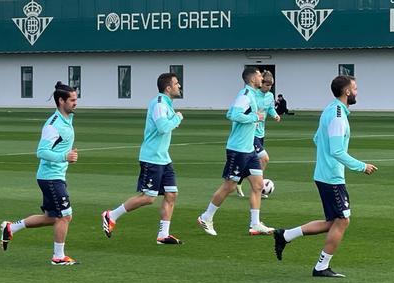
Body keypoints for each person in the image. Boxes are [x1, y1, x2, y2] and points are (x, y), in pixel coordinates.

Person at [273, 75, 377, 278]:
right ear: (346, 92)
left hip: (325, 173)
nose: (356, 92)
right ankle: (321, 267)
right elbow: (337, 151)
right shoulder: (338, 115)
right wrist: (361, 166)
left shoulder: (330, 109)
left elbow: (316, 138)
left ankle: (285, 235)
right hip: (331, 177)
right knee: (343, 220)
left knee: (333, 221)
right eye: (355, 88)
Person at [0, 82, 80, 265]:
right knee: (65, 215)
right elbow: (41, 151)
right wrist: (64, 156)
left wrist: (66, 156)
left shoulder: (67, 118)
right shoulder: (53, 125)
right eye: (72, 100)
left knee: (53, 217)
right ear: (61, 101)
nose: (76, 103)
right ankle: (58, 256)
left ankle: (11, 228)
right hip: (50, 177)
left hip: (55, 176)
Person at [101, 72, 185, 245]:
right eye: (177, 83)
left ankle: (163, 235)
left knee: (171, 194)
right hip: (152, 158)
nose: (179, 86)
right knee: (148, 197)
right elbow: (162, 127)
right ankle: (111, 215)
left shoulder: (166, 103)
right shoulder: (159, 103)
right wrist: (177, 118)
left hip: (163, 157)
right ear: (168, 88)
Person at [197, 67, 274, 236]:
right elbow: (232, 115)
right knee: (230, 186)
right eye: (260, 75)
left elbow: (231, 112)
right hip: (238, 149)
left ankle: (255, 224)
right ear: (253, 78)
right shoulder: (245, 96)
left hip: (249, 149)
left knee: (258, 185)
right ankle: (206, 216)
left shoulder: (250, 95)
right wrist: (255, 117)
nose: (262, 78)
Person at [236, 71, 280, 198]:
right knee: (264, 158)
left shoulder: (270, 96)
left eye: (271, 85)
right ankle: (258, 187)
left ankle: (238, 181)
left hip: (261, 133)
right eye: (267, 84)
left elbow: (270, 108)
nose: (269, 87)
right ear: (262, 84)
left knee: (251, 162)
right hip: (251, 133)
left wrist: (275, 115)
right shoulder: (253, 95)